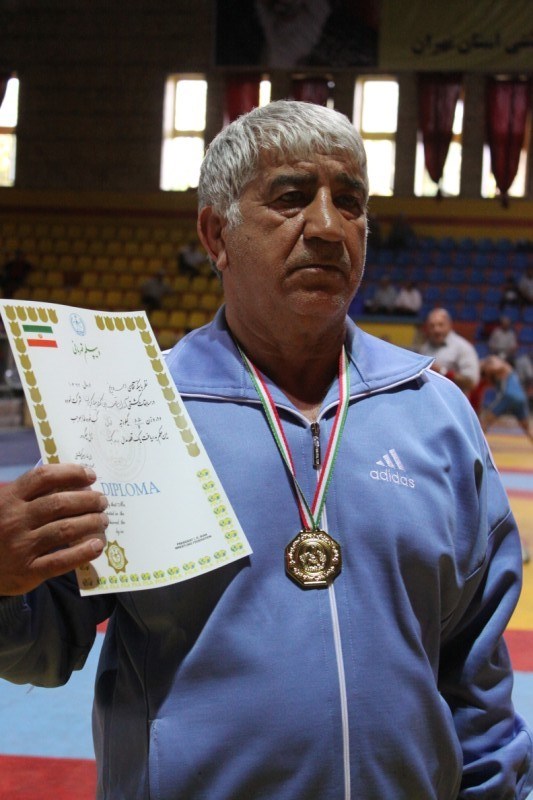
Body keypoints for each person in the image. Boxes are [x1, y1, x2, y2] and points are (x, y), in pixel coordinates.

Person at [0, 101, 531, 800]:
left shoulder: (435, 414)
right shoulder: (129, 410)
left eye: (349, 202)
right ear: (216, 233)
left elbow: (476, 679)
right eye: (290, 197)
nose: (327, 226)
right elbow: (42, 647)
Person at [418, 307, 480, 394]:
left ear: (449, 325)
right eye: (432, 326)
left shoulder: (463, 347)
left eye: (441, 325)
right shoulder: (424, 349)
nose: (436, 330)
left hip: (454, 401)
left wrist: (443, 372)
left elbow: (471, 382)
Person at [479, 355, 533, 445]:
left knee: (486, 420)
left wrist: (483, 365)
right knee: (527, 428)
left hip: (509, 396)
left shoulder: (502, 366)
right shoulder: (504, 372)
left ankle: (477, 443)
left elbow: (495, 367)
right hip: (521, 398)